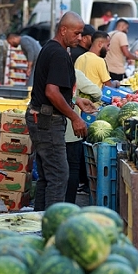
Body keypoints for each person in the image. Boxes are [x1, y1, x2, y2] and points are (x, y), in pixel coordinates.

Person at [25, 11, 96, 211]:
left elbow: (55, 91)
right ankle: (51, 228)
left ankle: (40, 223)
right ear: (63, 30)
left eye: (81, 34)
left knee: (48, 177)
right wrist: (75, 118)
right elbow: (51, 92)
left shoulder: (52, 48)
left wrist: (75, 101)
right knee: (58, 175)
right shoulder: (57, 53)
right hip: (48, 121)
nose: (80, 38)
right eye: (77, 33)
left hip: (41, 118)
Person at [65, 69, 102, 203]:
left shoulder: (49, 70)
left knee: (50, 174)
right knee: (72, 169)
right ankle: (68, 205)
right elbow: (97, 93)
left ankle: (45, 209)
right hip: (72, 130)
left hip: (54, 130)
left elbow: (62, 96)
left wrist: (77, 98)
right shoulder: (74, 72)